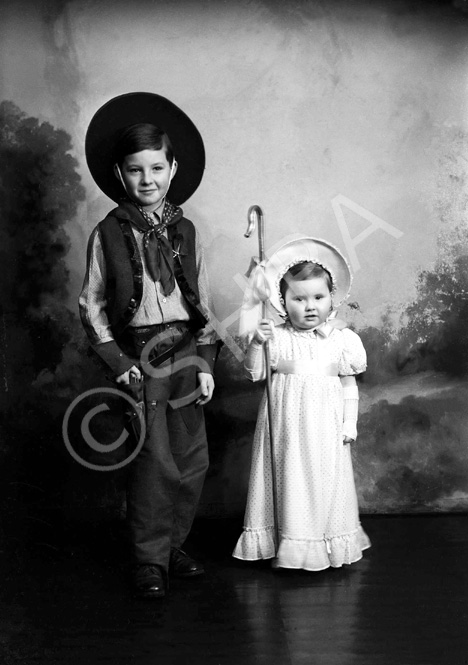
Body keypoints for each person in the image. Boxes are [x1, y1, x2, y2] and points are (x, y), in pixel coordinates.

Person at [79, 92, 218, 598]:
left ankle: (173, 545)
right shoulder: (107, 232)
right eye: (135, 170)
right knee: (153, 462)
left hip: (184, 353)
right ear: (120, 174)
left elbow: (203, 304)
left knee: (191, 459)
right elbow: (91, 306)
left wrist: (205, 361)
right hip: (140, 359)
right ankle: (149, 559)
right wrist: (118, 363)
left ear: (173, 167)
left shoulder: (188, 231)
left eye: (156, 168)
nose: (147, 180)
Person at [233, 237, 370, 571]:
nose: (310, 306)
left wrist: (349, 423)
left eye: (318, 297)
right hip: (285, 427)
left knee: (324, 481)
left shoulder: (342, 340)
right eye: (299, 298)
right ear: (283, 300)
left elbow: (348, 383)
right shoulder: (277, 337)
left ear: (332, 298)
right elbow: (254, 373)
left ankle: (323, 542)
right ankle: (286, 543)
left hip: (324, 427)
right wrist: (258, 342)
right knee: (288, 478)